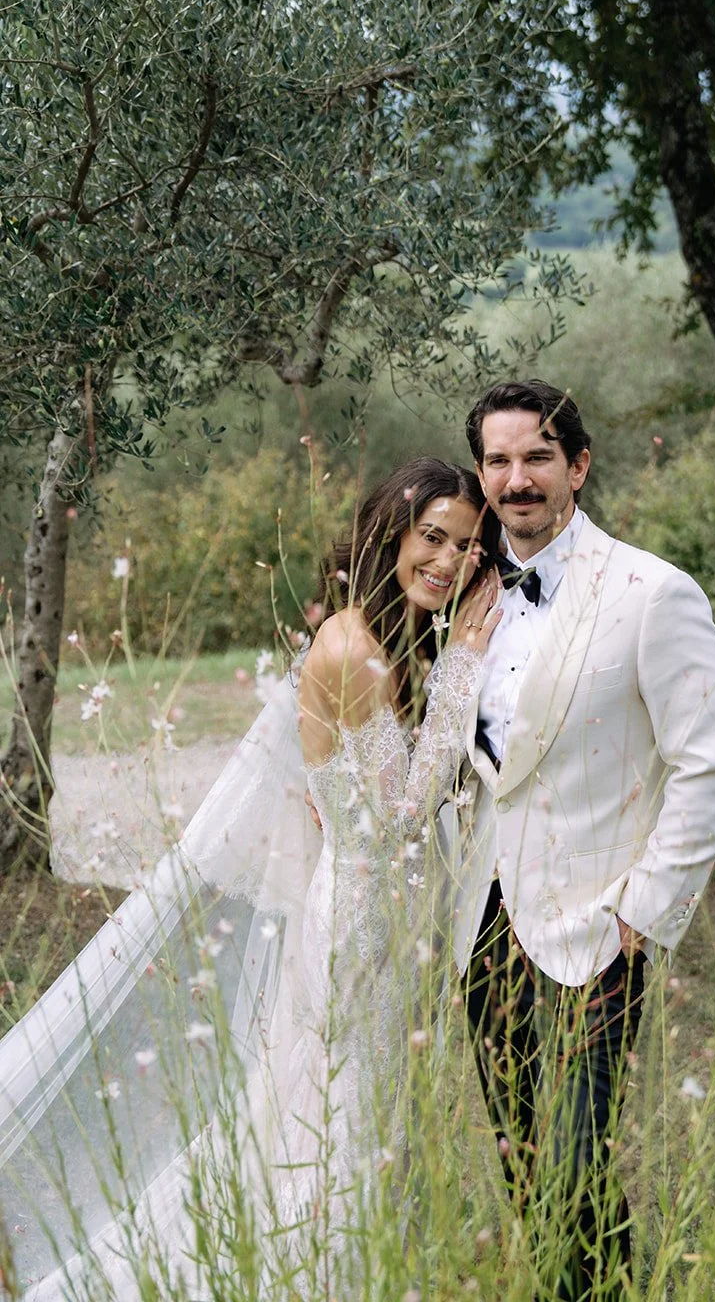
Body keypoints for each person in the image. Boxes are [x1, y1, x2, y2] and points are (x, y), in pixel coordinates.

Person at [0, 456, 500, 1301]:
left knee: (346, 1125)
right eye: (434, 538)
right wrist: (463, 664)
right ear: (391, 534)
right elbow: (405, 815)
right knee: (342, 1131)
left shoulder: (386, 638)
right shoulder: (354, 648)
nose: (449, 562)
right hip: (361, 929)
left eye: (469, 549)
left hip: (388, 921)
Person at [447, 380, 715, 1301]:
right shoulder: (461, 586)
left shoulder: (654, 593)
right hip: (480, 916)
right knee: (526, 1162)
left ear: (577, 466)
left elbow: (710, 768)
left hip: (598, 923)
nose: (516, 478)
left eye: (537, 456)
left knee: (577, 1156)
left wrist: (644, 912)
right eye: (497, 460)